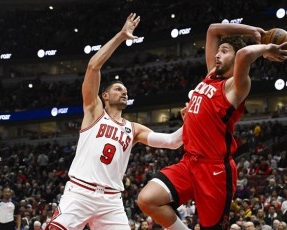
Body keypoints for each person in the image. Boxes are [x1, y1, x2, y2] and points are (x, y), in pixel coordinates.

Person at [138, 22, 287, 229]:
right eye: (218, 51)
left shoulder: (236, 87)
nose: (217, 55)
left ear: (235, 59)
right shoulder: (211, 75)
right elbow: (212, 29)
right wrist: (252, 30)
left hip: (215, 170)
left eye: (224, 51)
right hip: (189, 161)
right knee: (147, 199)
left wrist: (265, 48)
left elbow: (245, 54)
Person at [46, 13, 184, 230]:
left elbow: (172, 141)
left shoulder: (134, 129)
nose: (124, 92)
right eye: (118, 89)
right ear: (105, 96)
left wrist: (194, 117)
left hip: (111, 201)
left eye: (126, 90)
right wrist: (121, 36)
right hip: (80, 192)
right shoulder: (93, 112)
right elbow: (93, 66)